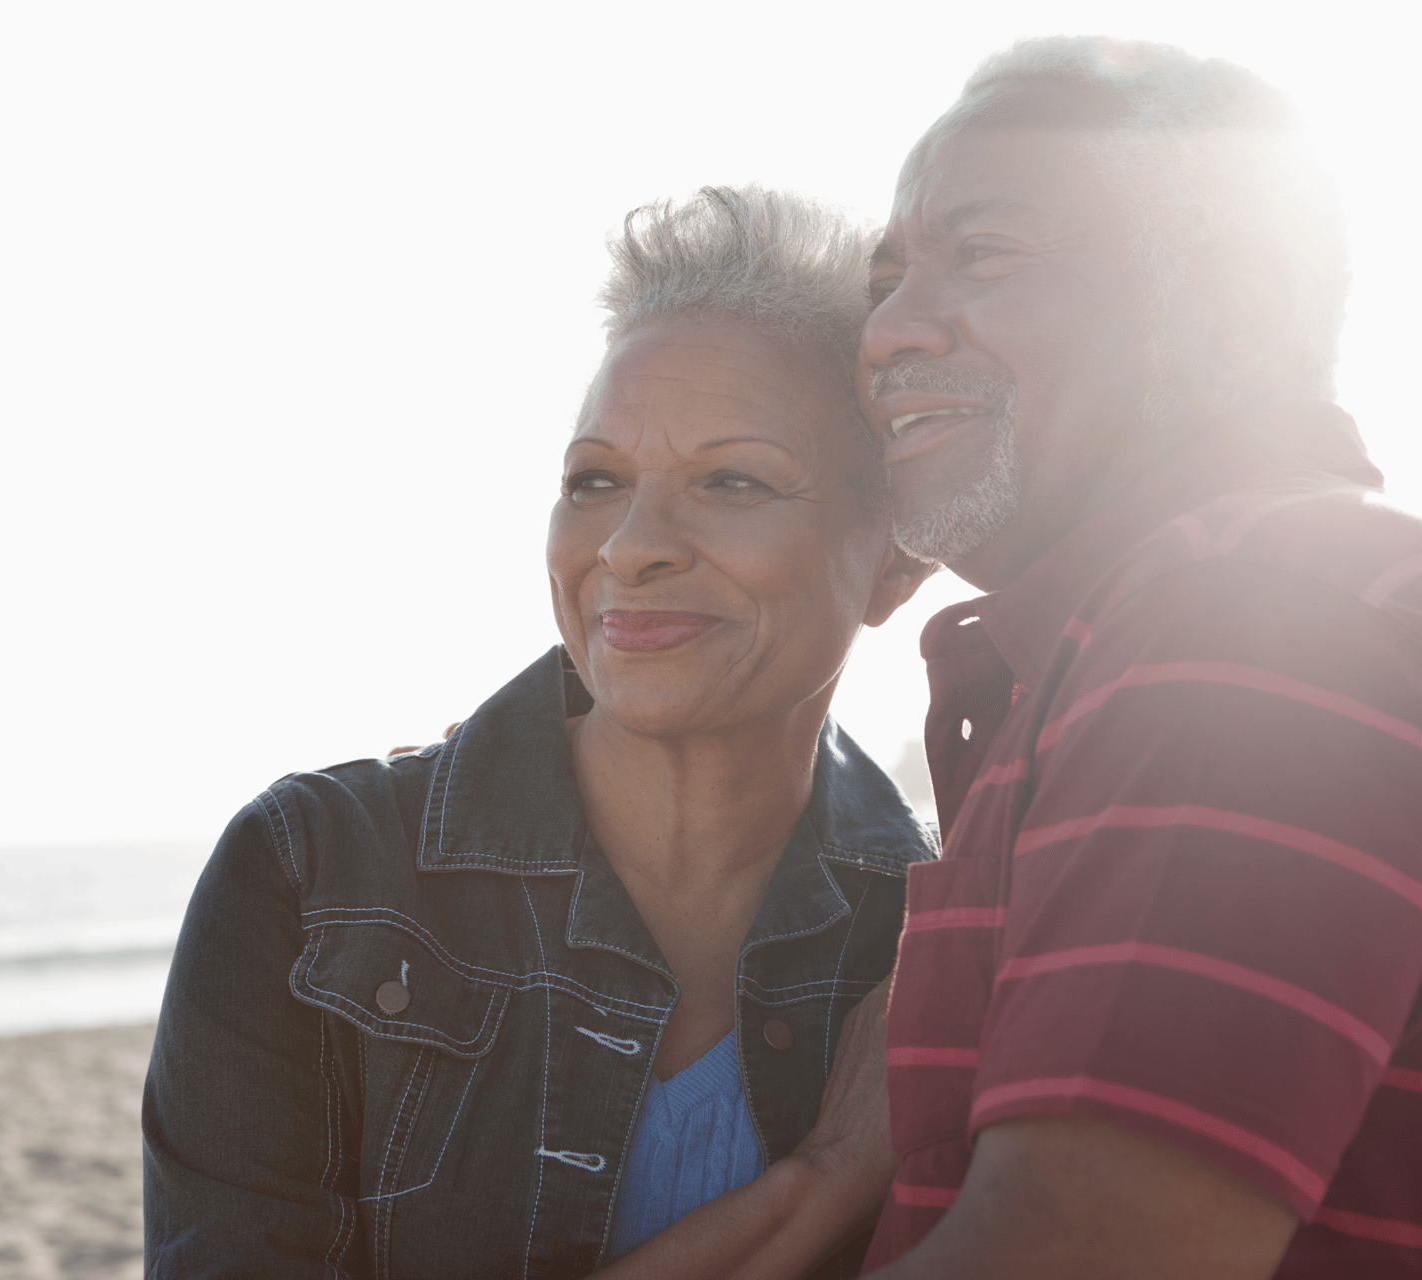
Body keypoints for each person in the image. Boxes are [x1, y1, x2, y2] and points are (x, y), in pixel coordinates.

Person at [141, 186, 935, 1277]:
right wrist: (831, 1175)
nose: (629, 545)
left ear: (896, 554)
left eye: (733, 478)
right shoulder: (311, 877)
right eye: (595, 479)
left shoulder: (931, 941)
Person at [847, 37, 1421, 1278]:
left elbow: (1079, 1254)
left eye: (981, 254)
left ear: (1237, 307)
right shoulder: (1148, 628)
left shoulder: (1252, 610)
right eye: (884, 282)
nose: (885, 332)